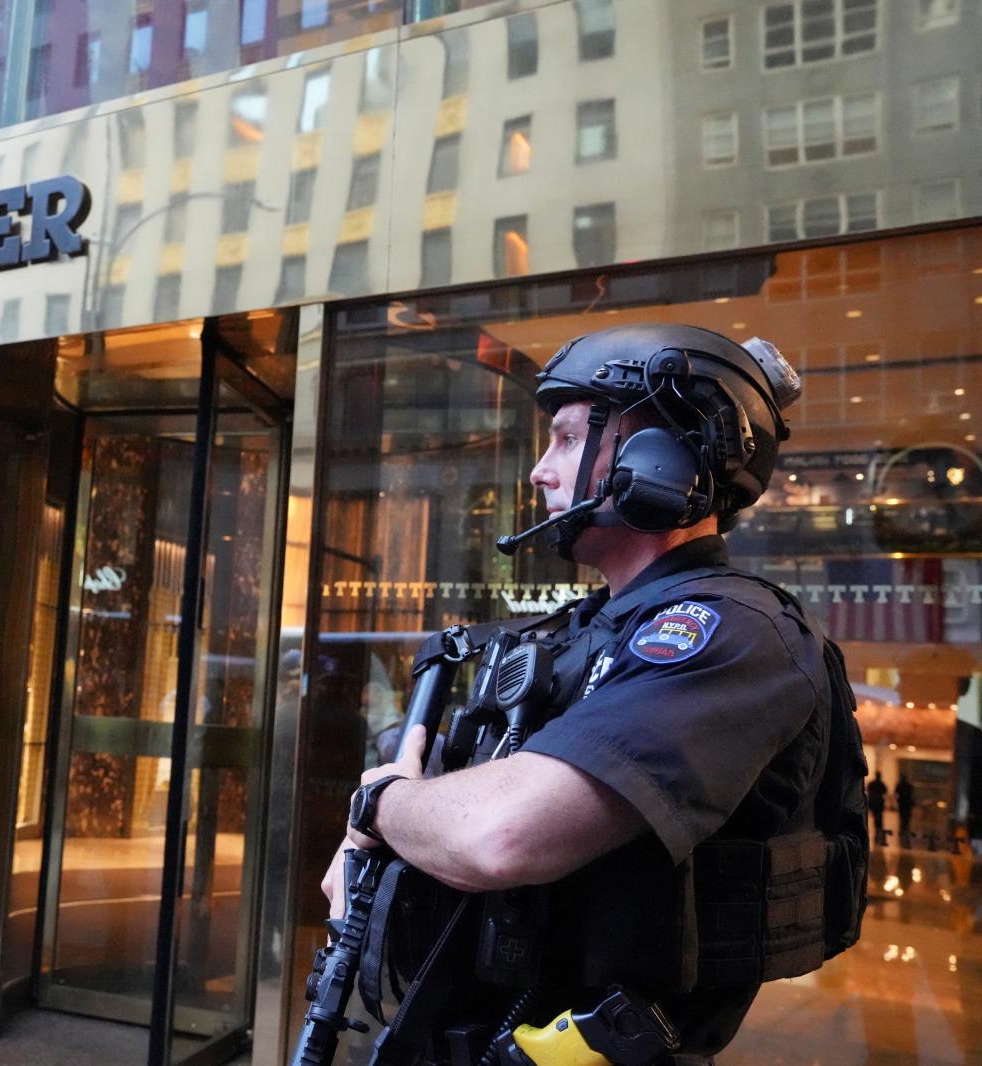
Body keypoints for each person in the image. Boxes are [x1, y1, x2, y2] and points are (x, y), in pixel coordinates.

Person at [324, 324, 865, 1063]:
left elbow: (499, 834)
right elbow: (459, 797)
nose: (540, 472)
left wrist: (379, 804)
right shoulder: (580, 631)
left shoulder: (732, 632)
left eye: (568, 438)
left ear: (661, 456)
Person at [867, 771, 887, 841]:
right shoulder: (881, 784)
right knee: (878, 816)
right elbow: (885, 791)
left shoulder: (872, 783)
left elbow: (868, 790)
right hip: (879, 802)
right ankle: (878, 828)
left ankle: (877, 828)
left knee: (875, 815)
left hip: (873, 802)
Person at [895, 775, 915, 843]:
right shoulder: (909, 785)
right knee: (907, 817)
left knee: (902, 816)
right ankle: (905, 828)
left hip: (902, 803)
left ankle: (903, 828)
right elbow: (912, 793)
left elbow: (896, 792)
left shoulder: (899, 785)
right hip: (907, 803)